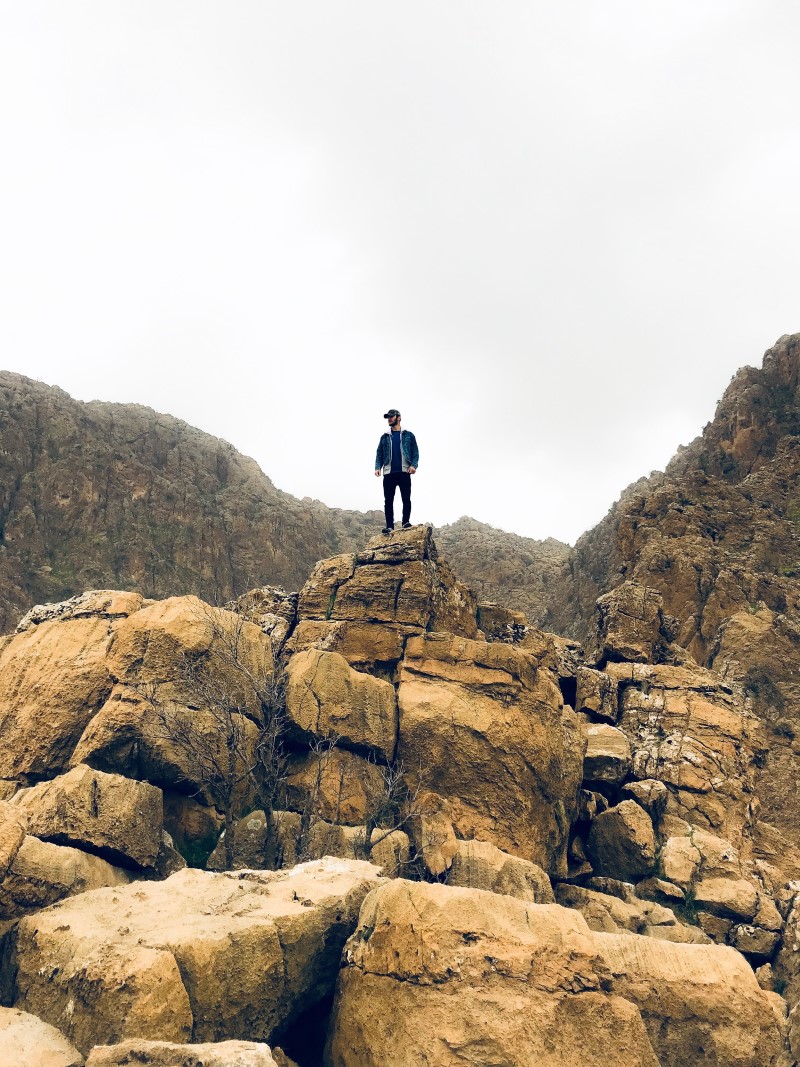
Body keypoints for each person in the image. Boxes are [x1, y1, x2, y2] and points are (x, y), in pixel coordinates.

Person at [374, 408, 419, 534]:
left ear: (398, 418)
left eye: (391, 416)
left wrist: (414, 465)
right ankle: (389, 526)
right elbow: (379, 454)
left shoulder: (408, 435)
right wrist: (378, 467)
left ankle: (405, 522)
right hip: (389, 473)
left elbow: (415, 452)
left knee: (406, 498)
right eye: (388, 417)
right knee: (388, 500)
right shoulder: (384, 437)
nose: (389, 419)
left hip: (404, 472)